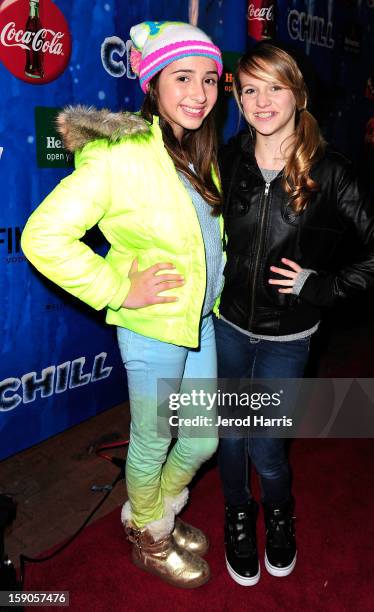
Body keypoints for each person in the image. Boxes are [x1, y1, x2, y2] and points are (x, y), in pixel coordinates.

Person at [21, 21, 224, 589]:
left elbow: (206, 236)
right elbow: (42, 236)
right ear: (153, 84)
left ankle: (152, 510)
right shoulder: (119, 157)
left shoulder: (194, 149)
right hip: (153, 326)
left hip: (199, 321)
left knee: (203, 437)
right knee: (154, 438)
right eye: (182, 77)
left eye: (209, 79)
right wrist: (117, 290)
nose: (199, 92)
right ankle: (149, 535)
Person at [215, 41, 374, 586]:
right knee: (229, 436)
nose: (262, 100)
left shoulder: (331, 170)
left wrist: (322, 285)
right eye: (249, 89)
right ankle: (237, 516)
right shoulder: (229, 158)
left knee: (266, 447)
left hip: (287, 336)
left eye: (275, 86)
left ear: (298, 93)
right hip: (225, 327)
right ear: (239, 99)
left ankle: (278, 514)